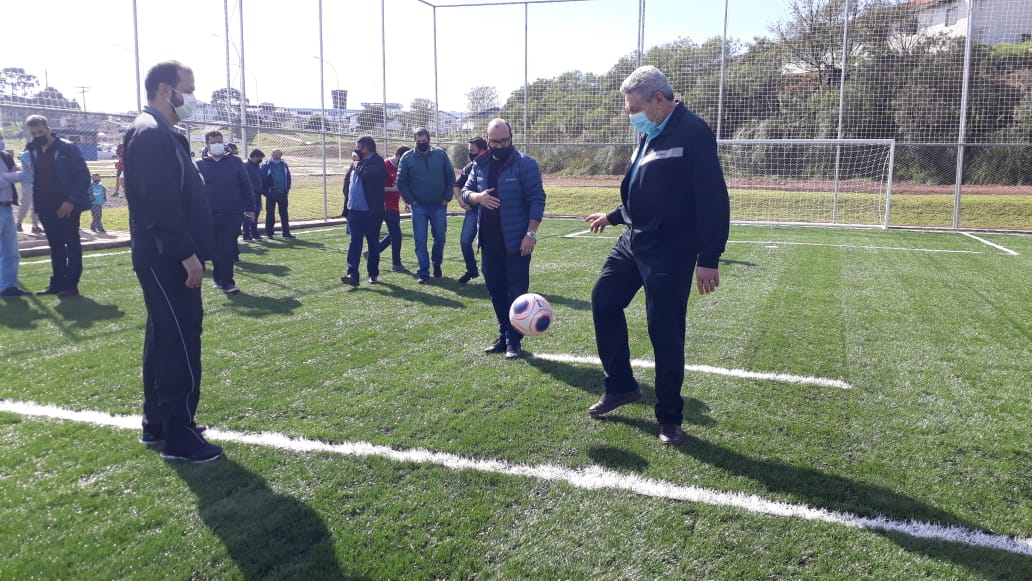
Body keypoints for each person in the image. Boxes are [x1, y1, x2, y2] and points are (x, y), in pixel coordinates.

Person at [583, 66, 730, 446]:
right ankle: (621, 386)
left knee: (664, 333)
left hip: (671, 249)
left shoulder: (692, 132)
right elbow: (645, 190)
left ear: (659, 100)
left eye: (634, 107)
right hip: (634, 240)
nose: (631, 115)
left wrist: (709, 258)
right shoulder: (649, 133)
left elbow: (713, 199)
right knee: (603, 301)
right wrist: (614, 216)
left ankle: (669, 418)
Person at [122, 60, 221, 462]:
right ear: (167, 90)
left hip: (170, 256)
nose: (192, 97)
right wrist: (186, 254)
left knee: (163, 336)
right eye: (189, 88)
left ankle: (158, 422)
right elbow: (161, 206)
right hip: (169, 259)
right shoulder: (150, 134)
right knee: (180, 340)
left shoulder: (163, 132)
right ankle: (178, 434)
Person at [461, 119, 546, 360]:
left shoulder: (525, 164)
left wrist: (531, 234)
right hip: (489, 242)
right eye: (495, 141)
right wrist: (478, 197)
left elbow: (537, 199)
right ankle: (504, 334)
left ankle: (514, 341)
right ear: (488, 141)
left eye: (504, 140)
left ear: (511, 138)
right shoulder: (479, 164)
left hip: (517, 243)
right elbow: (466, 193)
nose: (500, 145)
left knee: (516, 293)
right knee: (495, 290)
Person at [25, 115, 91, 298]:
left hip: (67, 205)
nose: (37, 135)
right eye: (33, 133)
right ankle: (57, 283)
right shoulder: (33, 149)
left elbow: (83, 175)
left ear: (48, 129)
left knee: (71, 244)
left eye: (40, 131)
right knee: (55, 246)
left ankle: (71, 285)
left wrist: (71, 201)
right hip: (45, 206)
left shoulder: (67, 148)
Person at [197, 131, 254, 294]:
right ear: (207, 144)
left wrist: (250, 208)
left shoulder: (235, 162)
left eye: (220, 141)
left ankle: (228, 282)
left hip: (232, 213)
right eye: (214, 141)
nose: (217, 144)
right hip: (209, 214)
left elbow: (246, 185)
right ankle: (218, 278)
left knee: (228, 248)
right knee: (214, 248)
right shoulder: (199, 164)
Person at [396, 128, 455, 284]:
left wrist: (447, 198)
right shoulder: (407, 158)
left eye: (424, 141)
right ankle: (423, 271)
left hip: (439, 205)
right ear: (415, 141)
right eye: (418, 141)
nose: (421, 144)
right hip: (419, 206)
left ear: (429, 140)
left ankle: (436, 263)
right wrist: (410, 200)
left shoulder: (440, 155)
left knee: (440, 237)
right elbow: (401, 181)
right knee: (420, 240)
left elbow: (450, 176)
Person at [341, 135, 386, 286]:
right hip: (354, 211)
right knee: (355, 241)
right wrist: (346, 207)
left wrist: (357, 162)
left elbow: (368, 176)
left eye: (358, 147)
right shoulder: (356, 163)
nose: (356, 149)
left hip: (371, 212)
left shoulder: (378, 162)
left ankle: (373, 273)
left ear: (365, 148)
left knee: (373, 244)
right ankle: (352, 274)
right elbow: (347, 182)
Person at [368, 145, 411, 273]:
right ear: (398, 156)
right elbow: (376, 188)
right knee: (396, 234)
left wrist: (405, 201)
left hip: (394, 204)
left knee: (394, 234)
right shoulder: (384, 165)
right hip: (383, 204)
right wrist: (393, 189)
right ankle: (396, 264)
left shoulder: (402, 167)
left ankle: (373, 252)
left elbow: (400, 186)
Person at [455, 137, 489, 284]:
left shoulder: (492, 165)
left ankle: (492, 274)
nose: (470, 154)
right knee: (464, 241)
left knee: (489, 245)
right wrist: (461, 200)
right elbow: (457, 186)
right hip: (473, 211)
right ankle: (471, 270)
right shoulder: (469, 167)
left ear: (483, 150)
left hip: (489, 211)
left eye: (472, 151)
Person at [0, 145, 28, 297]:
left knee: (11, 252)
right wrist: (9, 177)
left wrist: (5, 177)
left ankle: (9, 286)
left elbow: (20, 174)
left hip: (7, 207)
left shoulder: (5, 156)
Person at [261, 149, 293, 238]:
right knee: (270, 213)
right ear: (272, 154)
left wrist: (287, 188)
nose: (278, 156)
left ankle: (286, 232)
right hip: (271, 193)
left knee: (284, 214)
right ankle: (269, 232)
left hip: (283, 193)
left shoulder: (284, 165)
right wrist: (266, 192)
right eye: (276, 154)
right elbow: (262, 178)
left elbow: (288, 177)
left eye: (279, 154)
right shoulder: (266, 165)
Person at [15, 142, 41, 234]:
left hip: (38, 182)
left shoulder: (39, 153)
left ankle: (35, 225)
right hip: (28, 183)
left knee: (37, 205)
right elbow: (33, 165)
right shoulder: (26, 154)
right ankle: (18, 223)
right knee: (25, 203)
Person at [242, 149, 265, 241]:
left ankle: (254, 233)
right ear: (254, 156)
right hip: (249, 194)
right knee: (248, 215)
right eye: (259, 157)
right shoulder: (245, 166)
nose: (260, 159)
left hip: (257, 194)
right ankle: (246, 234)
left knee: (256, 214)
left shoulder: (256, 166)